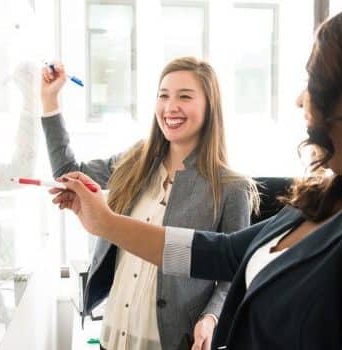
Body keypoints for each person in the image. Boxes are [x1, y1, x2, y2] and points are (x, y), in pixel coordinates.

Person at [49, 2, 342, 349]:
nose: (301, 100)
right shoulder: (325, 199)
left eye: (312, 79)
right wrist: (105, 224)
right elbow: (223, 252)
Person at [40, 57, 258, 350]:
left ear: (210, 106)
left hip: (170, 341)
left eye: (185, 97)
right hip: (113, 336)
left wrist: (211, 317)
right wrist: (50, 100)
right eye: (163, 96)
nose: (170, 107)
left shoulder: (231, 188)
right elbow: (68, 172)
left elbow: (234, 273)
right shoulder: (135, 161)